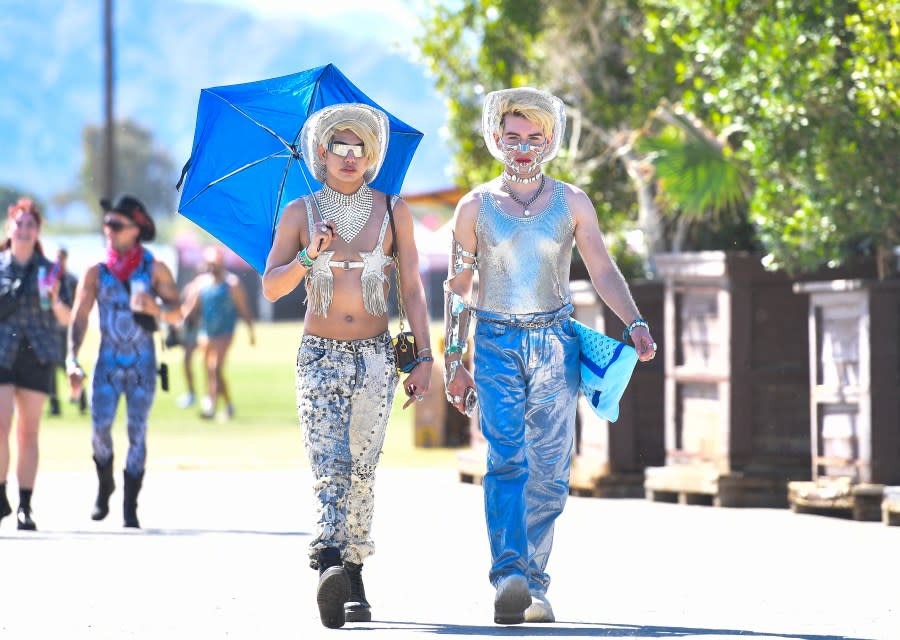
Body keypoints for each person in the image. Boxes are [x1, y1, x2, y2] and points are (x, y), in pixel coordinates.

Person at [443, 87, 657, 625]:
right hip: (494, 344)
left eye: (534, 137)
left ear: (550, 141)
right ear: (495, 139)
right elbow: (459, 288)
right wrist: (452, 362)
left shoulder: (572, 202)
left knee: (551, 468)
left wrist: (634, 322)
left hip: (556, 343)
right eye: (512, 136)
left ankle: (535, 584)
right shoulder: (474, 207)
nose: (522, 147)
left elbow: (602, 269)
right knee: (505, 458)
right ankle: (508, 574)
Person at [262, 103, 432, 629]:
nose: (351, 157)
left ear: (373, 154)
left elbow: (411, 289)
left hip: (377, 355)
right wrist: (310, 257)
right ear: (321, 152)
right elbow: (271, 286)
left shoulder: (392, 210)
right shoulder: (300, 213)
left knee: (363, 466)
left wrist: (424, 357)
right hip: (319, 355)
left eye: (361, 148)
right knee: (328, 465)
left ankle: (353, 569)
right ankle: (329, 562)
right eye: (340, 146)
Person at [66, 195, 182, 529]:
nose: (108, 230)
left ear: (136, 229)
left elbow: (178, 314)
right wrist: (72, 357)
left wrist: (156, 309)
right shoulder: (96, 272)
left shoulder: (155, 267)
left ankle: (130, 506)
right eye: (106, 224)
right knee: (99, 430)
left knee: (137, 432)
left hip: (143, 365)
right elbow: (79, 316)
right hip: (107, 365)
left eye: (116, 225)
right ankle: (105, 486)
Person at [0, 198, 73, 530]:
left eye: (31, 224)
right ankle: (1, 496)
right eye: (19, 223)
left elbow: (66, 317)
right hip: (2, 354)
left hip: (37, 353)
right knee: (1, 429)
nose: (25, 229)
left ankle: (25, 507)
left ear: (38, 231)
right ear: (9, 228)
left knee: (28, 433)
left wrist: (57, 296)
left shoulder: (50, 271)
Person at [181, 245, 255, 420]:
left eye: (214, 263)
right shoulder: (201, 283)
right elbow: (190, 307)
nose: (211, 267)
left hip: (225, 331)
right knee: (211, 370)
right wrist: (179, 322)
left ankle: (211, 407)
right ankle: (228, 405)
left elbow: (244, 309)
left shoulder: (232, 284)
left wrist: (251, 332)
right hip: (206, 332)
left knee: (214, 367)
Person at [46, 246, 80, 416]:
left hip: (67, 329)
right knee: (51, 366)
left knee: (68, 365)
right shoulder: (50, 279)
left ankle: (80, 399)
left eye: (62, 258)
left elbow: (78, 304)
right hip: (52, 329)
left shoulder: (72, 280)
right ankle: (54, 405)